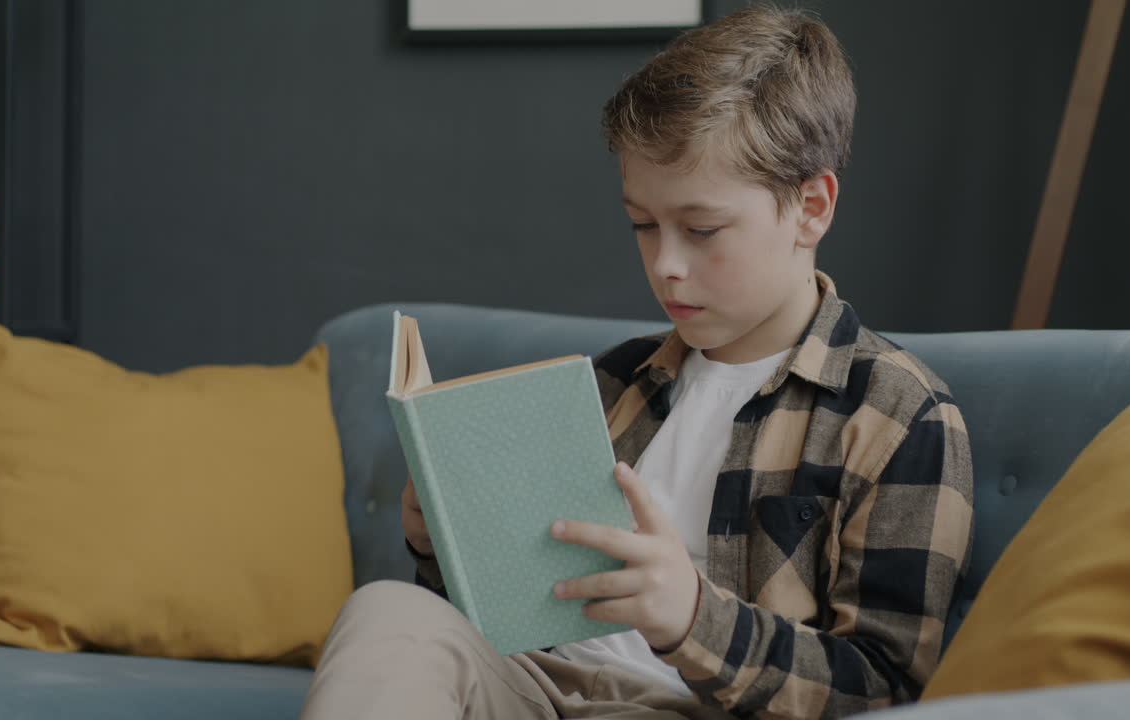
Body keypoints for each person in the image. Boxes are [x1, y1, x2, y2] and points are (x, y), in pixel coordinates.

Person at [302, 4, 973, 718]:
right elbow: (504, 615)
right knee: (388, 612)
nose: (667, 266)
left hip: (693, 705)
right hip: (538, 686)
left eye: (702, 228)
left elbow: (886, 687)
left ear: (811, 207)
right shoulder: (612, 381)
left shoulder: (896, 414)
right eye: (644, 226)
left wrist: (691, 618)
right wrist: (439, 544)